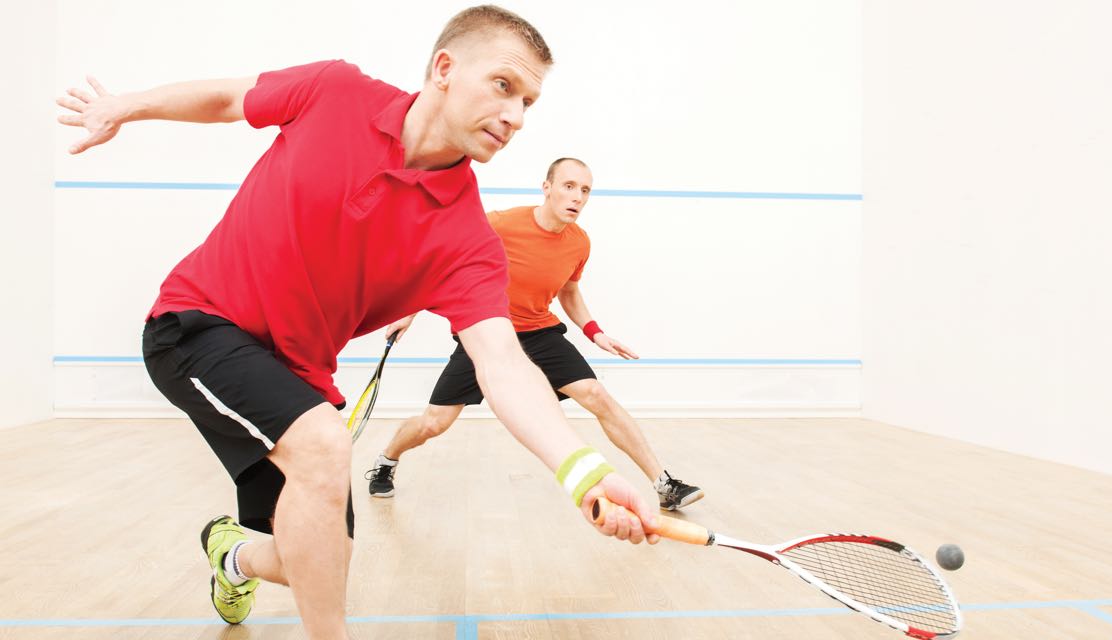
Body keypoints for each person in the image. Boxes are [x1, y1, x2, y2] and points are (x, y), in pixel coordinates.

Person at [56, 7, 657, 639]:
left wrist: (584, 470)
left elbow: (504, 363)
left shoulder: (468, 242)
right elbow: (229, 98)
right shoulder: (334, 90)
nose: (515, 116)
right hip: (198, 326)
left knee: (317, 557)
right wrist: (123, 106)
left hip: (297, 380)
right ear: (444, 69)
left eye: (529, 102)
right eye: (504, 86)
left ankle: (231, 556)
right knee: (324, 445)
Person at [368, 158, 704, 511]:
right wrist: (409, 311)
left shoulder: (579, 243)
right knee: (434, 423)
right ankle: (387, 461)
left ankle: (663, 483)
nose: (577, 196)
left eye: (585, 190)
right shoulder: (502, 223)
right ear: (547, 188)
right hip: (486, 332)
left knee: (596, 394)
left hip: (539, 333)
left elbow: (569, 292)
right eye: (569, 186)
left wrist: (594, 332)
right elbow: (445, 260)